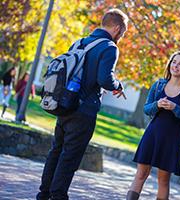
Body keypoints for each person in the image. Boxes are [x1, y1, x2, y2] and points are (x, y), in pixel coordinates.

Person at [36, 9, 128, 200]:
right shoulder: (110, 47)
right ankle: (58, 195)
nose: (122, 36)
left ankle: (44, 193)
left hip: (64, 104)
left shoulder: (79, 42)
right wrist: (118, 85)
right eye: (123, 33)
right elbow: (104, 79)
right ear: (118, 28)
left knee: (56, 150)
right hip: (84, 110)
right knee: (70, 156)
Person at [126, 51, 180, 200]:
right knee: (140, 174)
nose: (176, 66)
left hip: (173, 140)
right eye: (174, 62)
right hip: (152, 135)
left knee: (163, 180)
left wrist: (175, 108)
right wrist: (157, 104)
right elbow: (146, 109)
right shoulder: (158, 85)